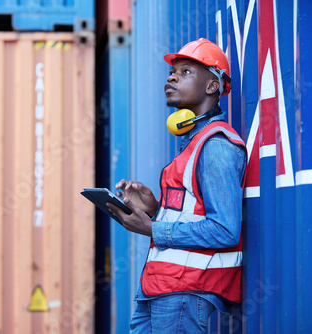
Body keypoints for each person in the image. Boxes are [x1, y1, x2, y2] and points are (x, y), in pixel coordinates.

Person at [106, 38, 247, 333]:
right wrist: (154, 209)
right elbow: (190, 214)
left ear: (212, 86)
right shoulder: (192, 144)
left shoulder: (216, 147)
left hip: (184, 291)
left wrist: (151, 228)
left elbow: (225, 230)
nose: (171, 77)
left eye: (185, 72)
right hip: (159, 286)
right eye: (172, 72)